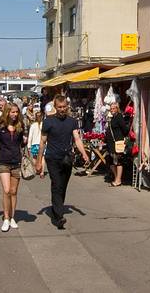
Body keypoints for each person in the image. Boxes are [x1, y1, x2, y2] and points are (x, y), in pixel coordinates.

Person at [35, 95, 88, 229]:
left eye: (64, 107)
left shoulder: (72, 121)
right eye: (60, 107)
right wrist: (39, 162)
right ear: (55, 107)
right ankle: (58, 217)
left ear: (67, 106)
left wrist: (84, 153)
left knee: (63, 186)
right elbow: (42, 142)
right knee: (57, 185)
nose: (62, 109)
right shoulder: (48, 121)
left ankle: (55, 209)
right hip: (52, 158)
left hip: (66, 158)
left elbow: (77, 139)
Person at [0, 104, 25, 232]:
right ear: (7, 113)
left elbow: (21, 143)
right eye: (13, 112)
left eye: (16, 112)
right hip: (3, 162)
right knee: (7, 190)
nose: (15, 114)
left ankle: (13, 217)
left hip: (16, 162)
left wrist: (24, 141)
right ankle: (6, 218)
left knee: (14, 191)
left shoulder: (20, 126)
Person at [105, 102, 129, 187]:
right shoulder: (112, 118)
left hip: (117, 143)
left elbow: (125, 130)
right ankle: (116, 178)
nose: (112, 110)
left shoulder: (119, 117)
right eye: (111, 109)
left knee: (118, 161)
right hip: (111, 144)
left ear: (117, 109)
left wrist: (122, 138)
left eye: (114, 108)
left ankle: (118, 180)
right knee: (111, 162)